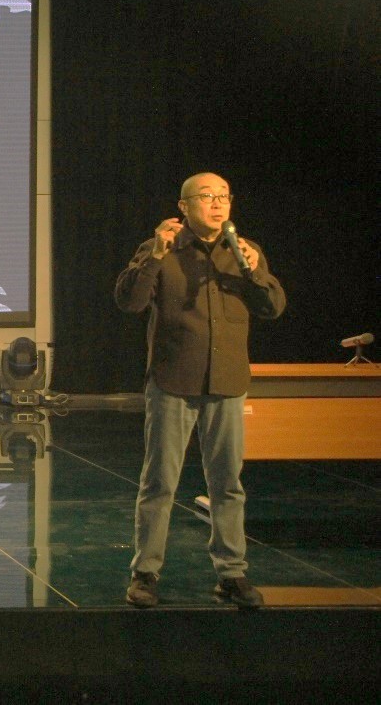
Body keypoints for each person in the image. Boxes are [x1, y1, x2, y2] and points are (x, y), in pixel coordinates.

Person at [114, 173, 285, 608]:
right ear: (184, 206)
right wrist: (155, 256)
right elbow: (130, 302)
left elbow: (273, 308)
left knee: (227, 484)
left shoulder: (244, 251)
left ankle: (231, 574)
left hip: (227, 383)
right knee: (159, 482)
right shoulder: (163, 247)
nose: (217, 203)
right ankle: (145, 573)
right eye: (207, 196)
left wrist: (254, 273)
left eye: (224, 196)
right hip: (174, 381)